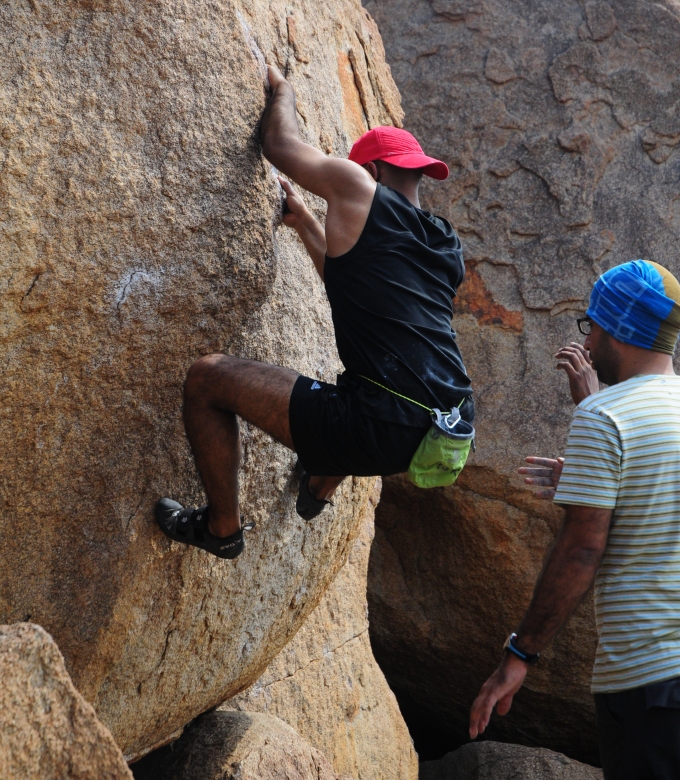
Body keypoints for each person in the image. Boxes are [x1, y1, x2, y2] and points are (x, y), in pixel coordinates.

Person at [155, 65, 473, 560]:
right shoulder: (444, 242)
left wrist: (283, 90)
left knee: (207, 379)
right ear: (417, 172)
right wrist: (305, 222)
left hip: (381, 422)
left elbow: (280, 145)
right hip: (449, 421)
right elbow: (354, 288)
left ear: (370, 172)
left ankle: (221, 528)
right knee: (362, 383)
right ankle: (317, 486)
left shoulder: (357, 186)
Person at [469, 259, 680, 780]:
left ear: (618, 329)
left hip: (648, 685)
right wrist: (598, 482)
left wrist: (519, 654)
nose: (586, 343)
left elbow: (582, 550)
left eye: (592, 326)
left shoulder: (604, 416)